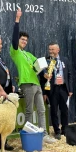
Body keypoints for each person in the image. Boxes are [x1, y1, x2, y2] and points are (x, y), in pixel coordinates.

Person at [10, 9, 56, 144]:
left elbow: (39, 66)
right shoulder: (15, 51)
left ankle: (44, 135)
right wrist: (17, 20)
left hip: (36, 84)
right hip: (26, 84)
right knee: (29, 110)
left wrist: (45, 74)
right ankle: (29, 137)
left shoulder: (29, 54)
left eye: (26, 40)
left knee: (42, 110)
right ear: (18, 40)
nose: (24, 41)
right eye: (22, 39)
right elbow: (14, 38)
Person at [40, 43, 73, 140]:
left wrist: (70, 89)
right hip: (52, 89)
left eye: (53, 49)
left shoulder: (65, 60)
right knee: (54, 111)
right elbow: (42, 78)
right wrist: (44, 92)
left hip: (63, 88)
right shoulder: (45, 61)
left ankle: (65, 129)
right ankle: (57, 131)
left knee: (65, 110)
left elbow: (69, 75)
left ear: (58, 50)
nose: (51, 51)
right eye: (49, 49)